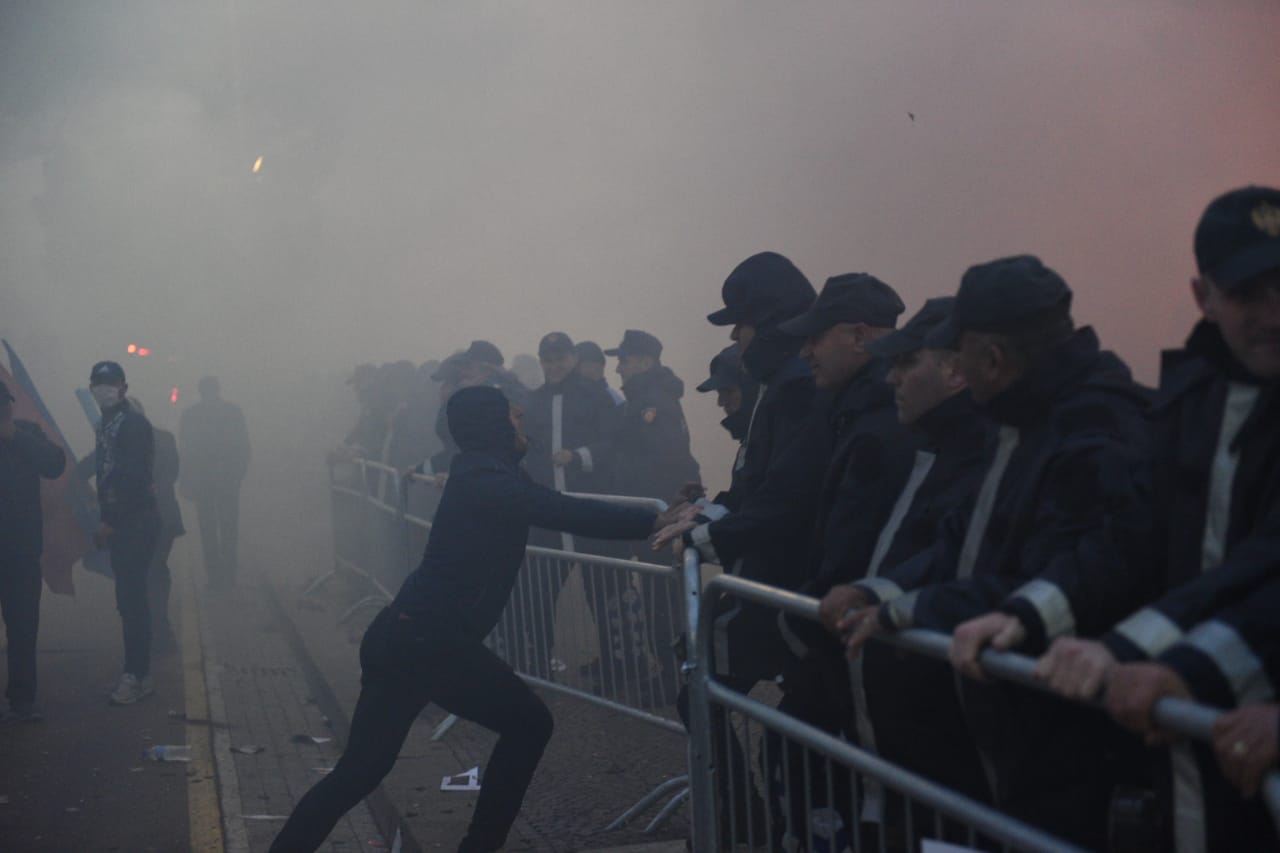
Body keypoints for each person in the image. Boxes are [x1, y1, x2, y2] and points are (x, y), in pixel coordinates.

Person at [269, 386, 690, 853]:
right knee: (526, 725)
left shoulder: (490, 473)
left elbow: (553, 502)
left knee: (361, 771)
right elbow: (559, 509)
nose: (522, 417)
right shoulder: (484, 480)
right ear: (493, 425)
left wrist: (658, 513)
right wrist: (651, 522)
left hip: (415, 638)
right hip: (425, 643)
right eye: (513, 415)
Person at [840, 256, 1151, 847]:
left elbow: (1084, 567)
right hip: (1011, 741)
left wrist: (909, 613)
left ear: (992, 359)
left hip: (1073, 746)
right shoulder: (1023, 423)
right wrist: (880, 595)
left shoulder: (1097, 429)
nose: (955, 370)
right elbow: (961, 541)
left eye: (958, 355)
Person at [1032, 185, 1280, 851]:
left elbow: (1269, 566)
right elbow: (1134, 535)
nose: (1275, 314)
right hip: (1203, 736)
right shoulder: (1192, 400)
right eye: (1250, 293)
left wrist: (1152, 657)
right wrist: (1029, 613)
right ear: (1203, 297)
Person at [814, 298, 994, 833]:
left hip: (951, 761)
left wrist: (880, 596)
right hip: (899, 756)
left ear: (956, 371)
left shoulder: (982, 458)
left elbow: (970, 562)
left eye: (905, 363)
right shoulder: (931, 447)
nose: (889, 377)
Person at [89, 361, 161, 706]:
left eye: (110, 382)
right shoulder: (106, 424)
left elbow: (131, 479)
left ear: (123, 387)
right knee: (128, 600)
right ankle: (139, 672)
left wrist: (111, 522)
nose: (103, 389)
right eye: (98, 383)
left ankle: (136, 674)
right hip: (125, 523)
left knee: (132, 601)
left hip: (136, 522)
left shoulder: (132, 424)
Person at [0, 380, 66, 722]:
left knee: (23, 625)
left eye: (4, 404)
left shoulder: (26, 433)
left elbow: (55, 464)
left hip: (21, 550)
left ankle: (22, 697)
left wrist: (16, 436)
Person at [179, 376, 250, 589]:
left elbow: (186, 451)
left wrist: (186, 481)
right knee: (229, 527)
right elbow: (243, 446)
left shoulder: (191, 415)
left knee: (207, 529)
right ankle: (228, 576)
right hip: (226, 479)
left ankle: (214, 576)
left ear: (201, 391)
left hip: (204, 481)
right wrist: (237, 474)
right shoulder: (232, 412)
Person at [128, 398, 185, 654]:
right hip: (163, 517)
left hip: (149, 518)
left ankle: (157, 630)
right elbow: (173, 472)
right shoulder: (165, 438)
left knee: (149, 571)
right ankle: (159, 628)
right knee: (156, 568)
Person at [695, 344, 758, 444]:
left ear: (753, 390)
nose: (721, 402)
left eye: (729, 391)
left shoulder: (775, 443)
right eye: (719, 393)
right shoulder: (756, 441)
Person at [575, 340, 624, 406]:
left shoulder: (613, 401)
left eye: (578, 365)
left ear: (597, 367)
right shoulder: (575, 395)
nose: (574, 370)